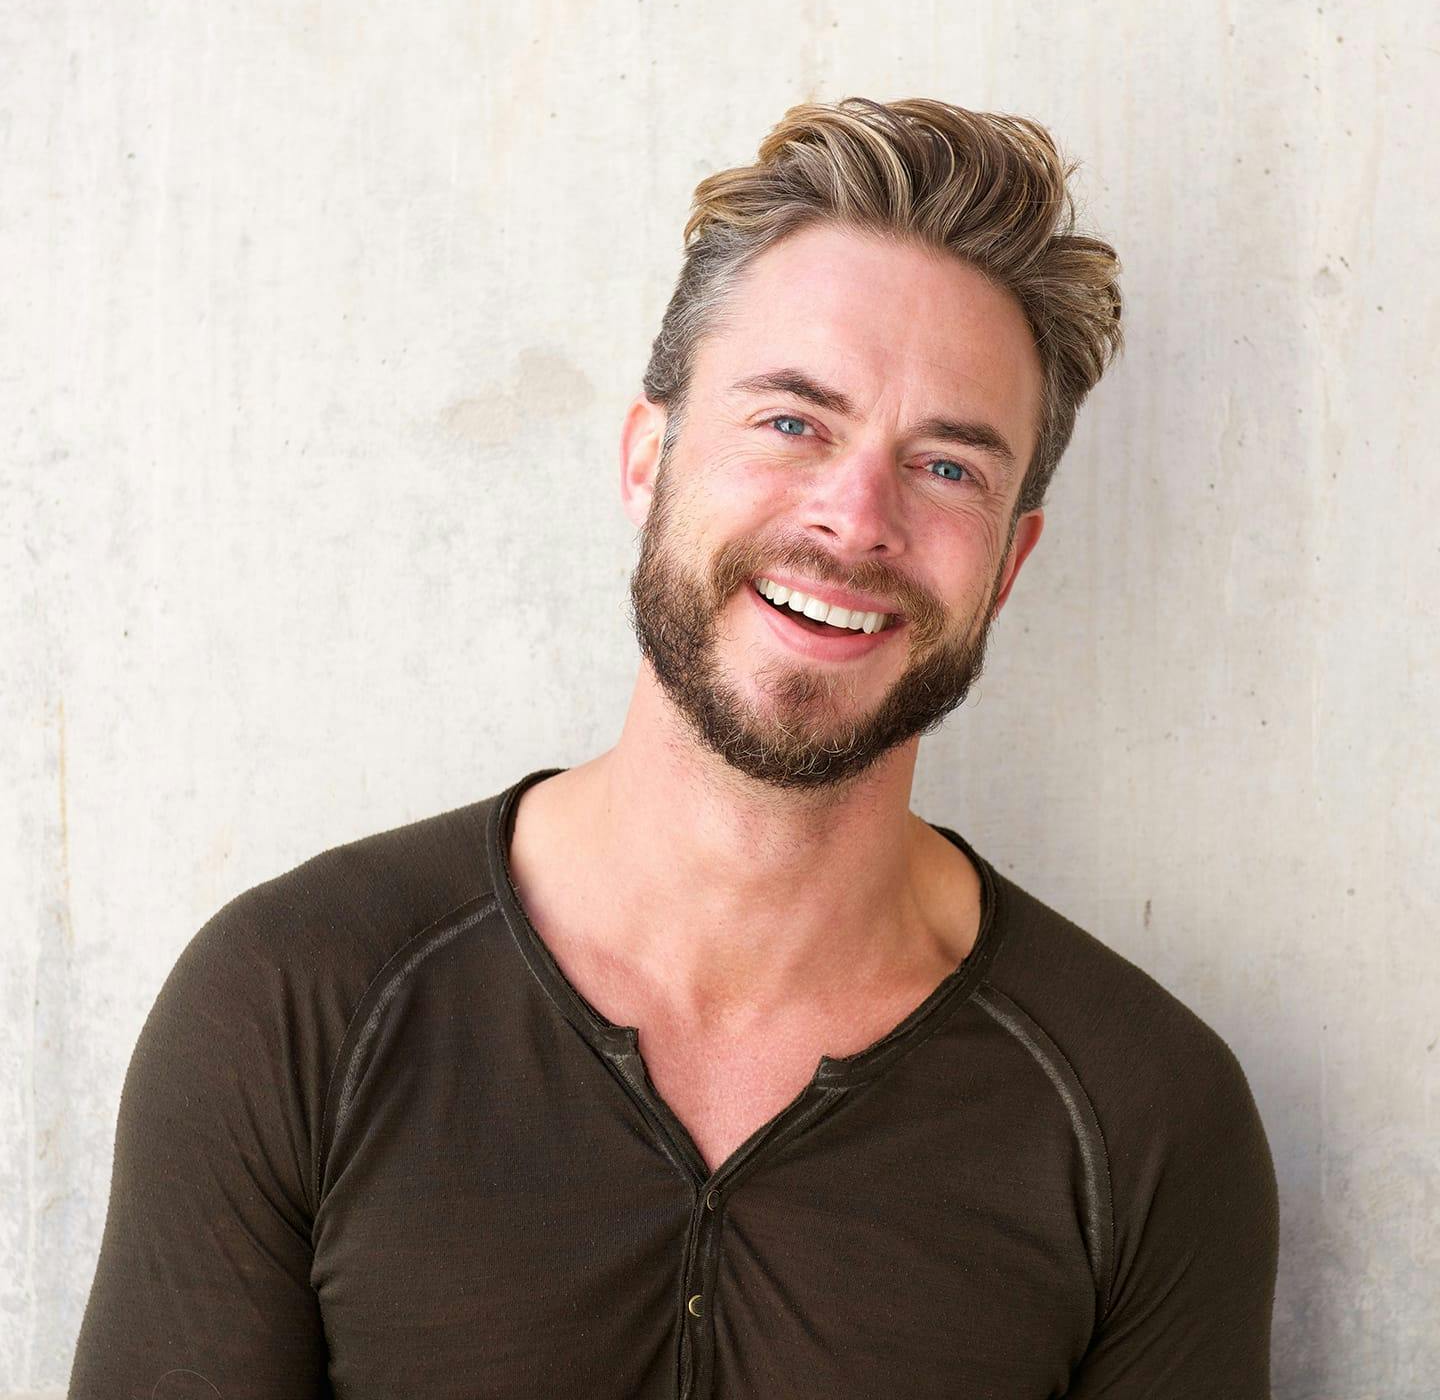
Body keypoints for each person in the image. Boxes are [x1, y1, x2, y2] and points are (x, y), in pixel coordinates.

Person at [69, 97, 1279, 1399]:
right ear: (648, 460)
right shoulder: (300, 1004)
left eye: (945, 469)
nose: (853, 518)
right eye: (793, 422)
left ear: (1008, 565)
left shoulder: (1143, 1118)